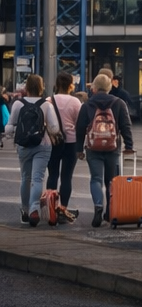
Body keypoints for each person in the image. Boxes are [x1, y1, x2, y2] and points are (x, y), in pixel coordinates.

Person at [77, 73, 134, 228]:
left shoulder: (87, 105)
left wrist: (78, 149)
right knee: (112, 180)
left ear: (94, 88)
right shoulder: (119, 103)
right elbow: (126, 126)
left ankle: (98, 206)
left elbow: (80, 128)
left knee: (96, 178)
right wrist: (129, 145)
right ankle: (110, 212)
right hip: (113, 147)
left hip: (93, 148)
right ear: (109, 87)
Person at [5, 74, 63, 226]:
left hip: (24, 145)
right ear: (41, 87)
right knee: (38, 178)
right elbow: (55, 128)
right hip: (43, 145)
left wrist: (11, 134)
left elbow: (10, 126)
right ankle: (34, 209)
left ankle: (25, 210)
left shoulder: (18, 104)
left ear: (26, 87)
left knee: (26, 178)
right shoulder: (46, 104)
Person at [46, 72, 84, 222]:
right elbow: (79, 123)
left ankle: (51, 209)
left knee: (53, 175)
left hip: (54, 142)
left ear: (56, 84)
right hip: (71, 143)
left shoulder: (48, 100)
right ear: (70, 85)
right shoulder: (75, 102)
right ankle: (63, 208)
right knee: (66, 177)